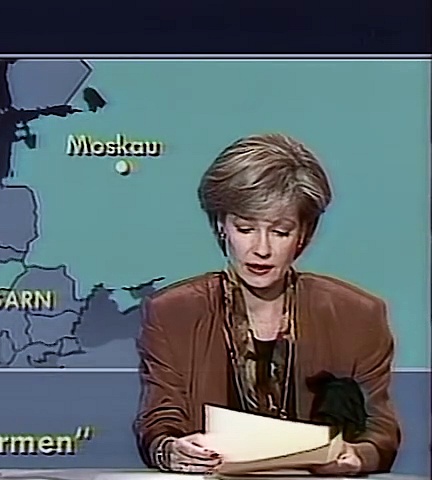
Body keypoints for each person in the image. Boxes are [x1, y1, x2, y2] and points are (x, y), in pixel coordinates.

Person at [133, 133, 401, 475]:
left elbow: (380, 432)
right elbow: (159, 422)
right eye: (245, 229)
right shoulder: (173, 313)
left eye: (280, 232)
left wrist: (357, 456)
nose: (261, 249)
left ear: (303, 235)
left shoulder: (357, 315)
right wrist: (170, 450)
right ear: (222, 226)